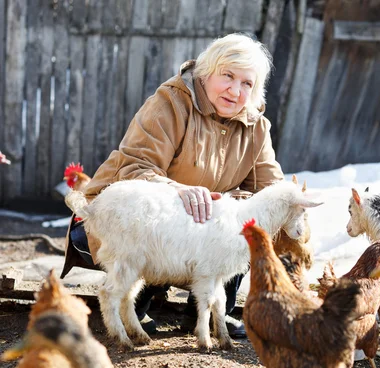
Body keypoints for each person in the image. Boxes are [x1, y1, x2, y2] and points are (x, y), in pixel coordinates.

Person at [62, 33, 284, 338]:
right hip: (124, 222)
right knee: (162, 224)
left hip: (202, 236)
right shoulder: (170, 103)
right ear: (207, 72)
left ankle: (206, 311)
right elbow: (134, 166)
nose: (235, 90)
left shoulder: (257, 127)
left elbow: (270, 195)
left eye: (247, 83)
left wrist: (227, 205)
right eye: (228, 76)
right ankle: (136, 304)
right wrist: (176, 191)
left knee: (242, 229)